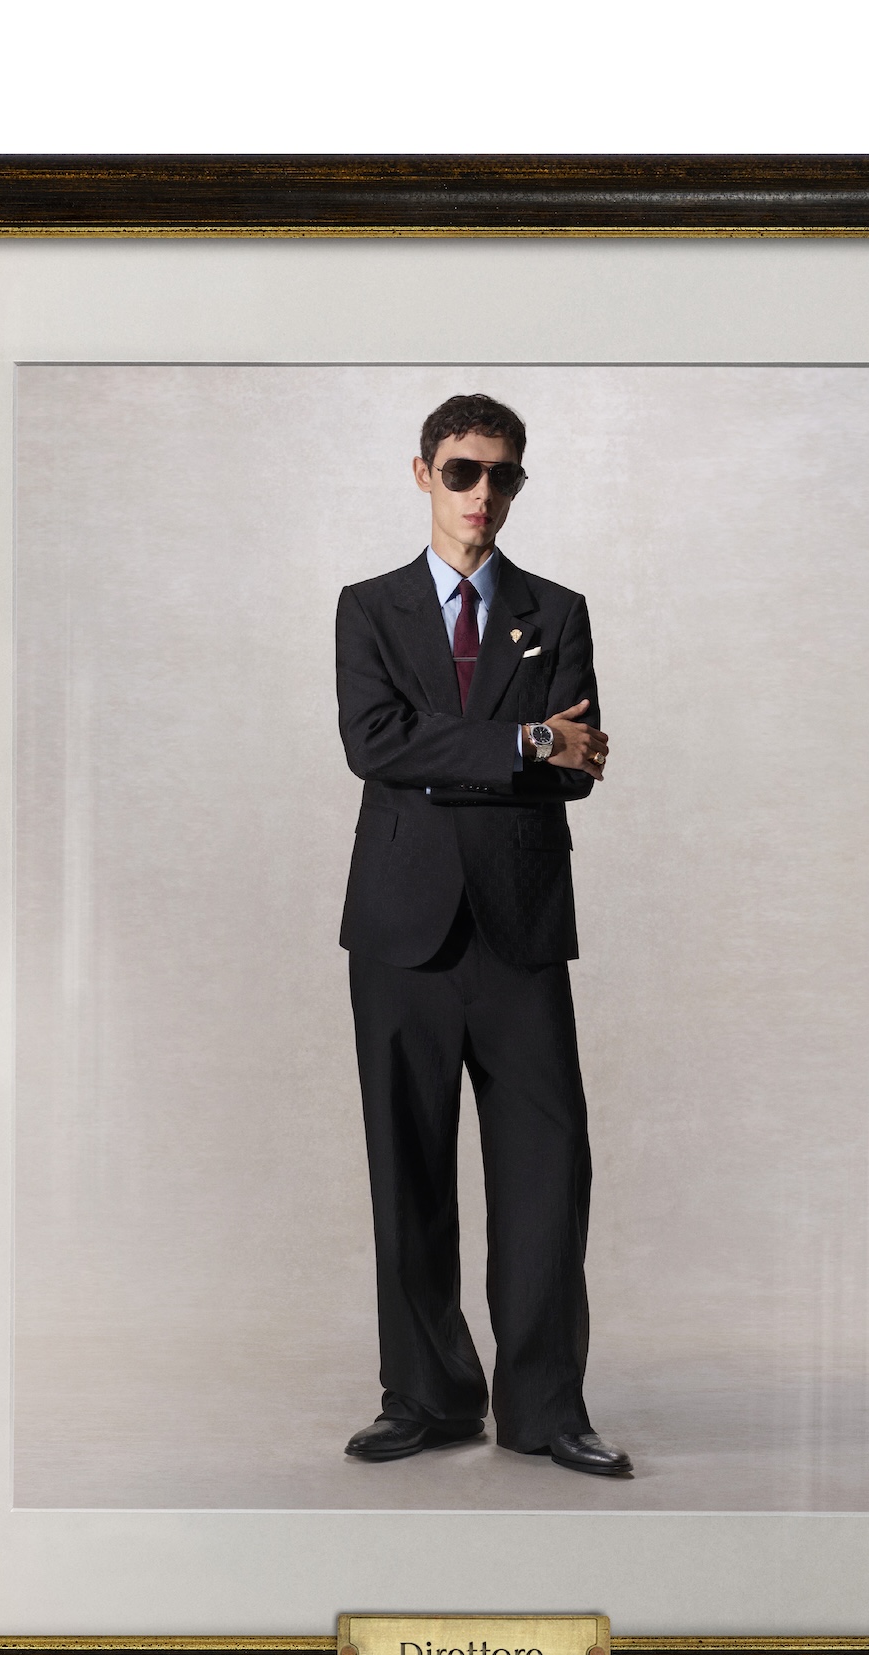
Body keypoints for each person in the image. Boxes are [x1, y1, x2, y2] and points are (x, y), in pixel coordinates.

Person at [335, 392, 632, 1478]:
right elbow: (374, 743)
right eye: (463, 471)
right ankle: (426, 1396)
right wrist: (519, 741)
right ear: (423, 473)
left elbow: (580, 767)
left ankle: (546, 1408)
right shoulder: (368, 609)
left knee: (547, 1167)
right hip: (400, 925)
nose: (482, 494)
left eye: (502, 474)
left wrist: (474, 753)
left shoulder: (559, 610)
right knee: (407, 1167)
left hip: (519, 923)